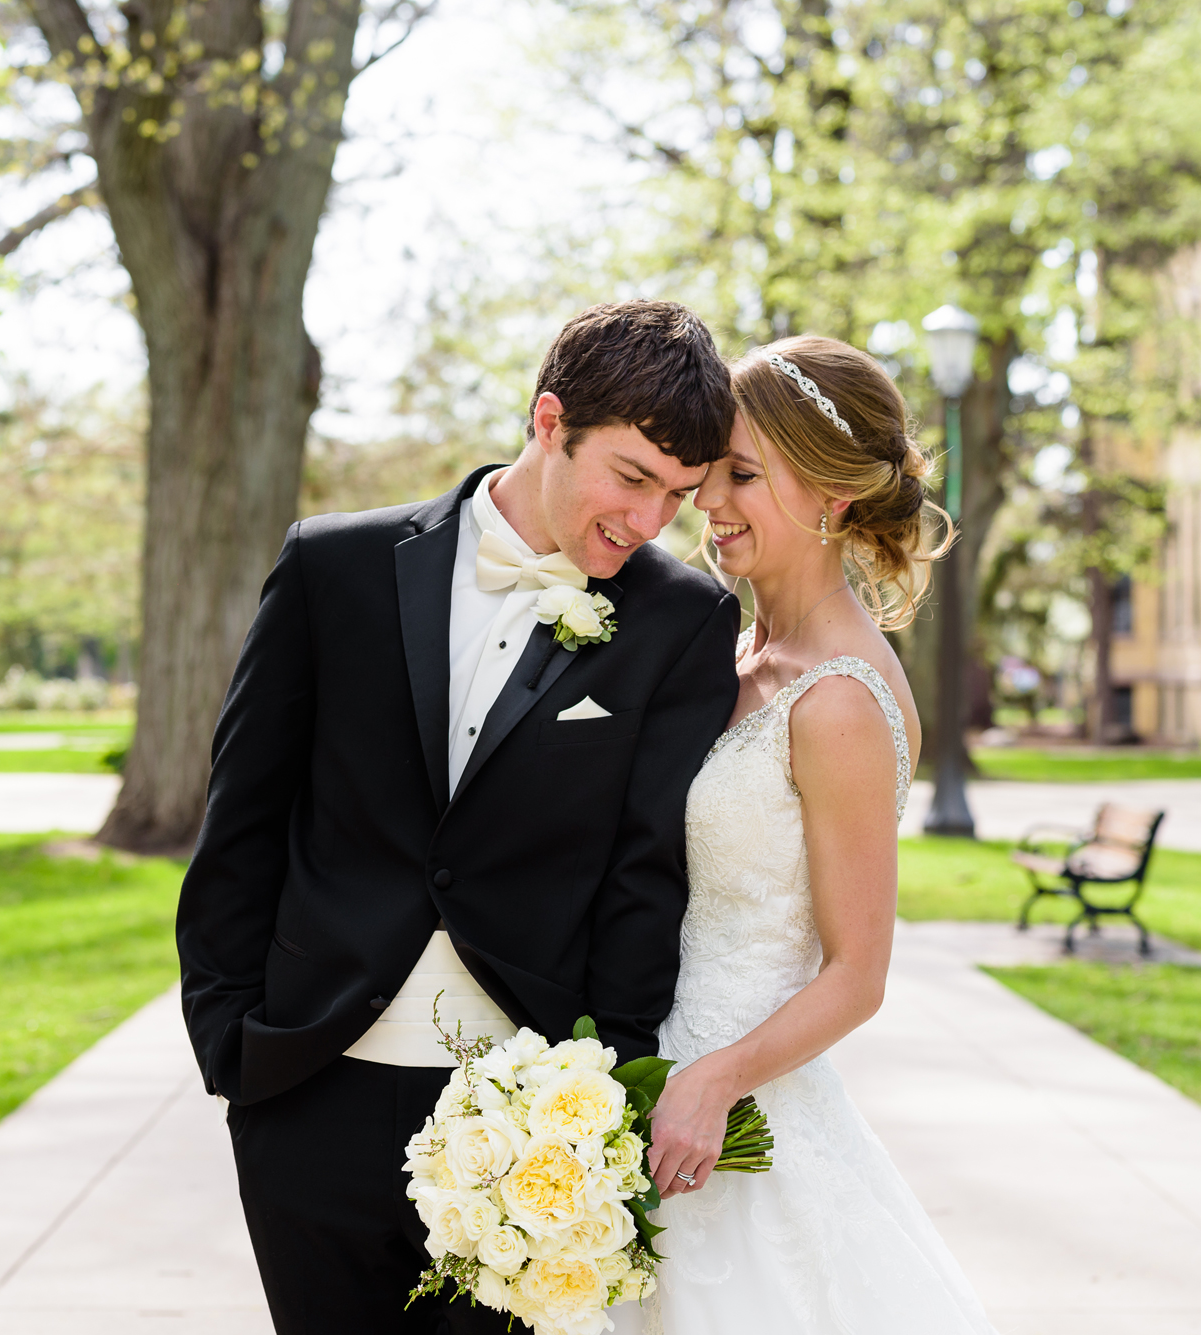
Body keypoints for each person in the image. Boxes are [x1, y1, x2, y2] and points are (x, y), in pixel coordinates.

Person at [177, 301, 743, 1334]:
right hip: (309, 1088)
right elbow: (242, 817)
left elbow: (641, 872)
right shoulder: (331, 568)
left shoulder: (681, 620)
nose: (649, 521)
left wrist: (602, 1101)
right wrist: (231, 1047)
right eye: (630, 477)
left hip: (533, 1127)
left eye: (679, 495)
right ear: (546, 421)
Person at [614, 335, 999, 1334]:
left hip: (735, 1115)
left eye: (739, 475)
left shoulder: (836, 703)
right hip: (648, 1083)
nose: (706, 502)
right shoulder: (735, 654)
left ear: (827, 492)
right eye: (709, 476)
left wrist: (712, 1084)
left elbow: (856, 972)